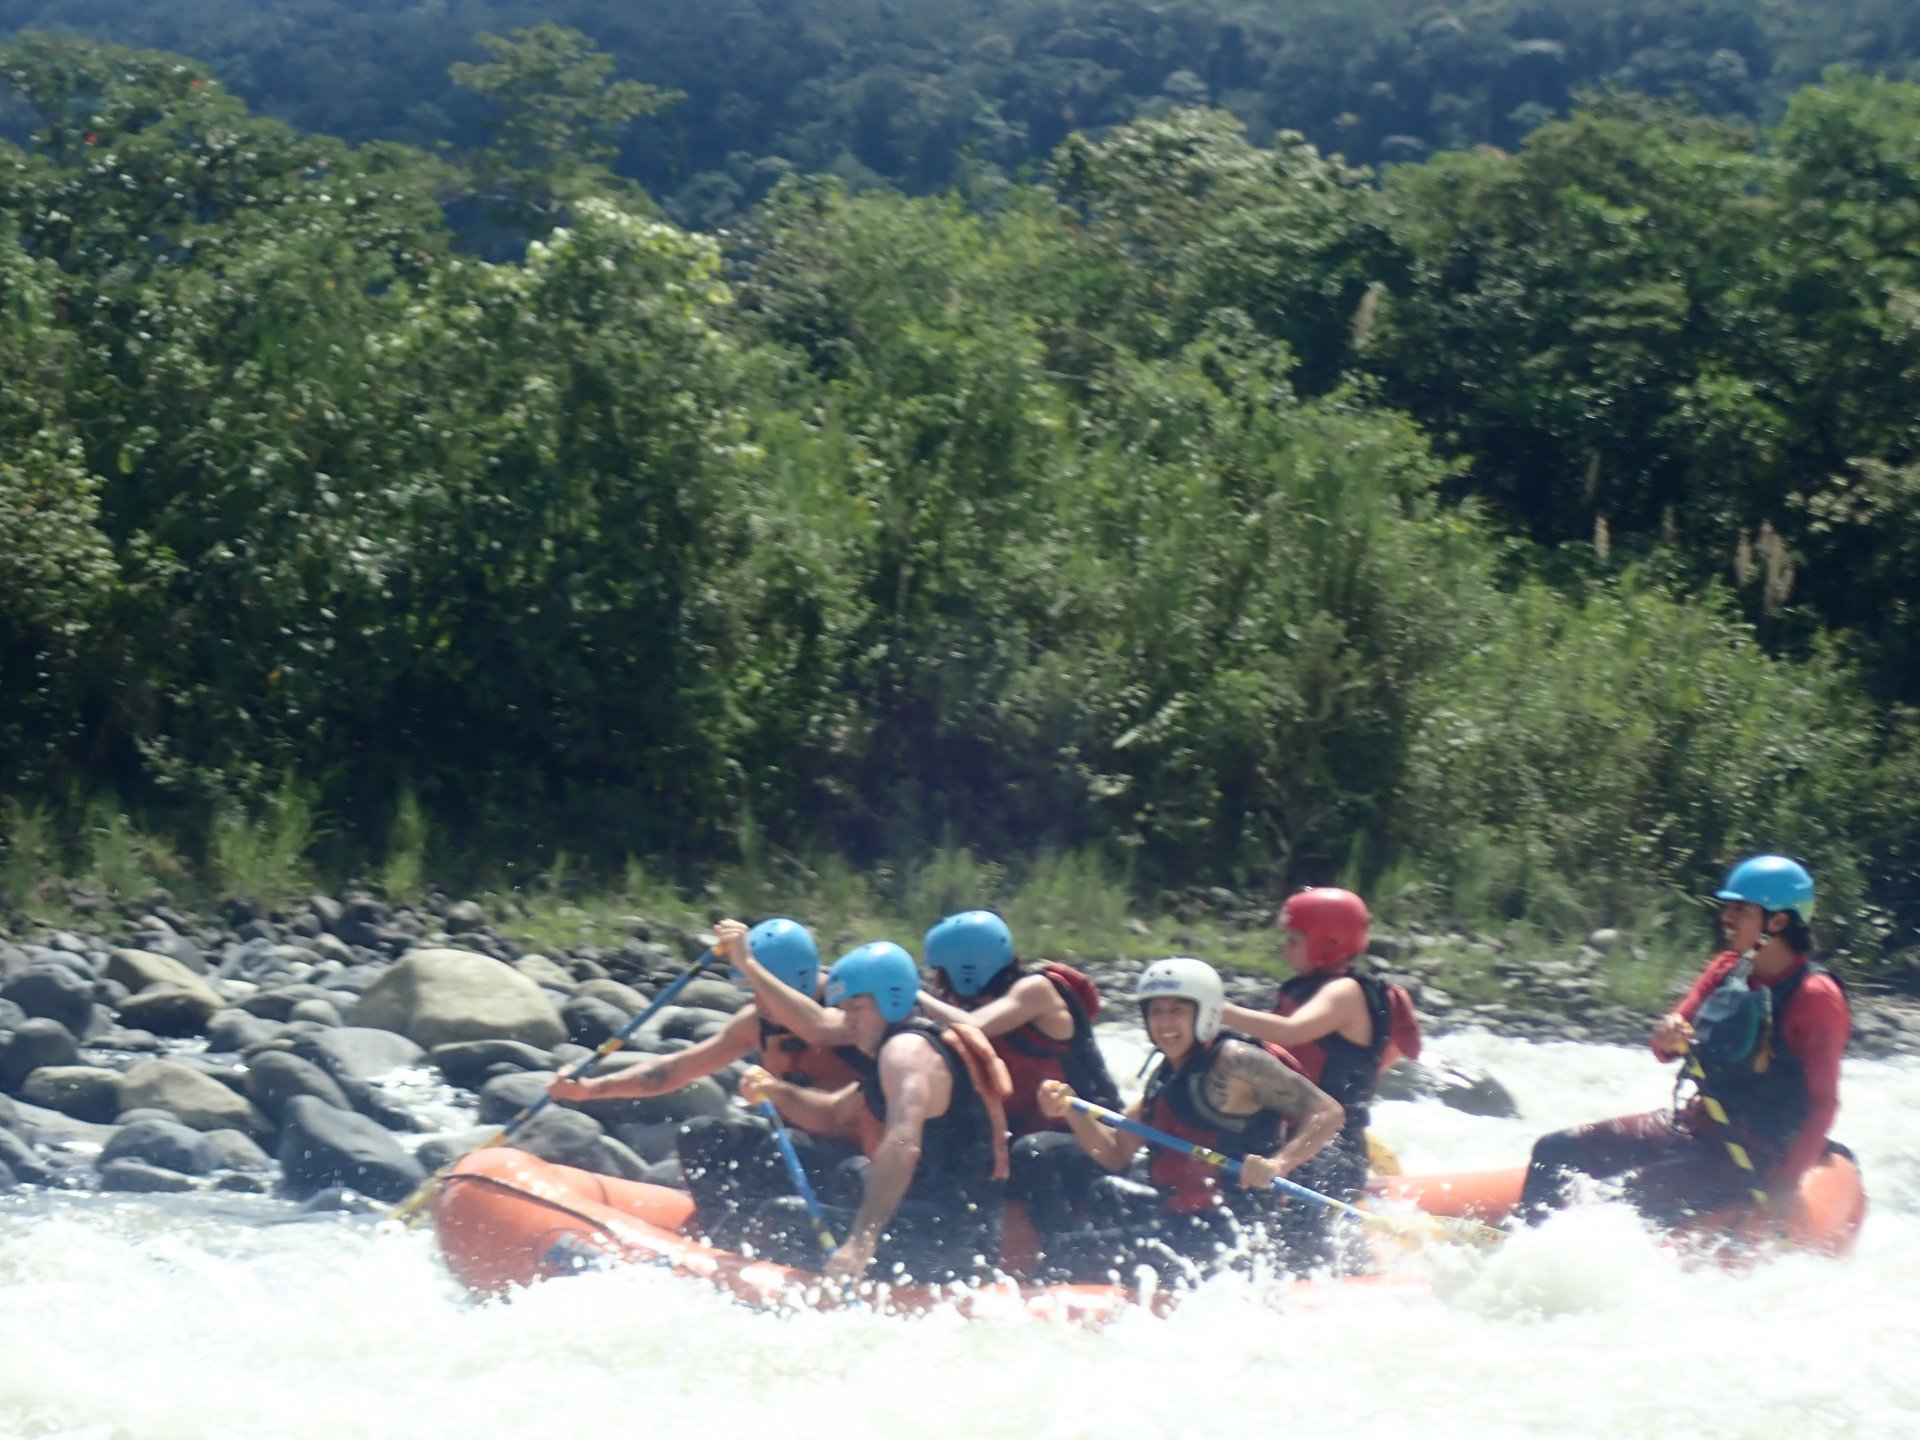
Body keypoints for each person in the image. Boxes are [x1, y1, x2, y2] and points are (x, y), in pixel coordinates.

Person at [1519, 855, 1851, 1227]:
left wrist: (1788, 1179)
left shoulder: (1816, 997)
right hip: (1696, 1126)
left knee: (1625, 1200)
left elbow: (1824, 1102)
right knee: (1554, 1149)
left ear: (1778, 921)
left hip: (1756, 1150)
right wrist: (1668, 1036)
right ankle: (1518, 1243)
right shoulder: (1728, 969)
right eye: (1728, 908)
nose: (1726, 918)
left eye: (1740, 910)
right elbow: (1665, 1048)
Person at [548, 916, 861, 1243]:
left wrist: (748, 962)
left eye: (763, 991)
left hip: (850, 1166)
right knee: (700, 1135)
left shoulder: (847, 1017)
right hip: (791, 1152)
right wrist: (591, 1089)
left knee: (781, 1149)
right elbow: (676, 1069)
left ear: (796, 983)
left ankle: (767, 1239)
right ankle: (722, 1234)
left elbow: (819, 1028)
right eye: (752, 992)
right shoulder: (758, 1022)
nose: (756, 1002)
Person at [1034, 957, 1346, 1283]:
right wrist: (1072, 1111)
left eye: (1178, 1010)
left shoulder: (1234, 1062)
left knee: (1066, 1254)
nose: (1165, 1023)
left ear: (1205, 1013)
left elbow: (1328, 1112)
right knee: (1104, 1194)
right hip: (1180, 1221)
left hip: (1230, 1231)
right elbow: (1115, 1153)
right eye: (1156, 1011)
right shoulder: (1166, 1074)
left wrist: (1279, 1164)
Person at [734, 939, 1014, 1285]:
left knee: (781, 1217)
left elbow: (902, 1144)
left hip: (945, 1238)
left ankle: (745, 1289)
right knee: (853, 1174)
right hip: (951, 1228)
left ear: (892, 999)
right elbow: (835, 1114)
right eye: (844, 1008)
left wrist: (861, 1241)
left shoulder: (905, 1053)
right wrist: (778, 1092)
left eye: (858, 1007)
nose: (847, 1020)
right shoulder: (908, 1048)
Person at [912, 910, 1124, 1246]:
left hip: (1093, 1143)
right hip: (1023, 1143)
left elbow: (974, 1026)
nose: (937, 983)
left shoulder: (1037, 992)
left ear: (967, 970)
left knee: (1032, 1152)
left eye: (940, 972)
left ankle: (1065, 1254)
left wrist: (910, 991)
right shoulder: (965, 1004)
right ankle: (948, 1250)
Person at [1222, 888, 1419, 1211]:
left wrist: (1218, 1009)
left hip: (1329, 1149)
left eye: (1293, 941)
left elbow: (1290, 1031)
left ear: (1328, 943)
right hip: (1297, 1138)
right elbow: (1379, 1059)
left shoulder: (1346, 992)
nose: (1285, 952)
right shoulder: (1308, 990)